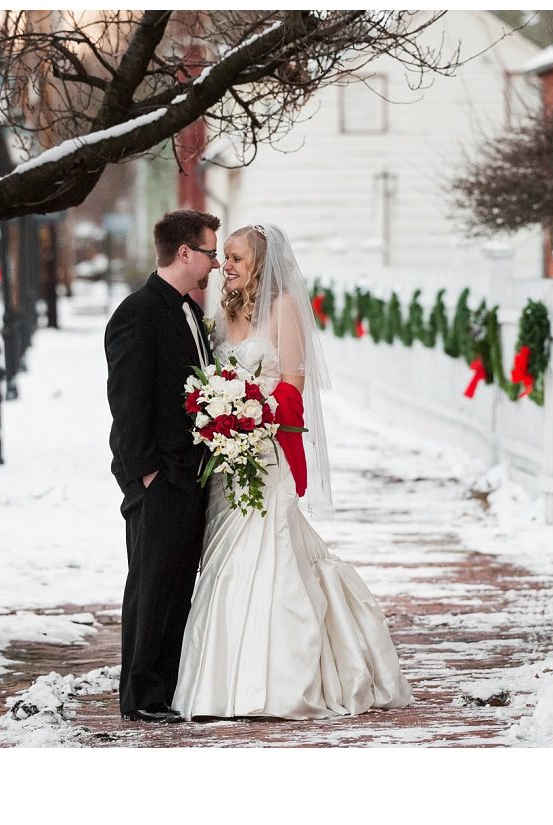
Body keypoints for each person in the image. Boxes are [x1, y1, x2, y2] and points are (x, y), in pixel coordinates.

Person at [172, 223, 413, 720]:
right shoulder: (222, 314)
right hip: (226, 458)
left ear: (261, 263)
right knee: (225, 562)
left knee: (272, 556)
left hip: (265, 455)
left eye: (237, 258)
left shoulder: (281, 309)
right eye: (226, 258)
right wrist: (219, 416)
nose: (227, 266)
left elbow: (293, 388)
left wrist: (248, 414)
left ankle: (283, 680)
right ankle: (222, 682)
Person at [105, 209, 221, 723]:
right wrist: (145, 472)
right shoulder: (139, 311)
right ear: (184, 253)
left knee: (176, 585)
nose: (216, 263)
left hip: (189, 473)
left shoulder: (189, 312)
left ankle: (166, 688)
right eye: (211, 252)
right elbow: (126, 403)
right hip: (159, 477)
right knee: (151, 584)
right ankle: (142, 696)